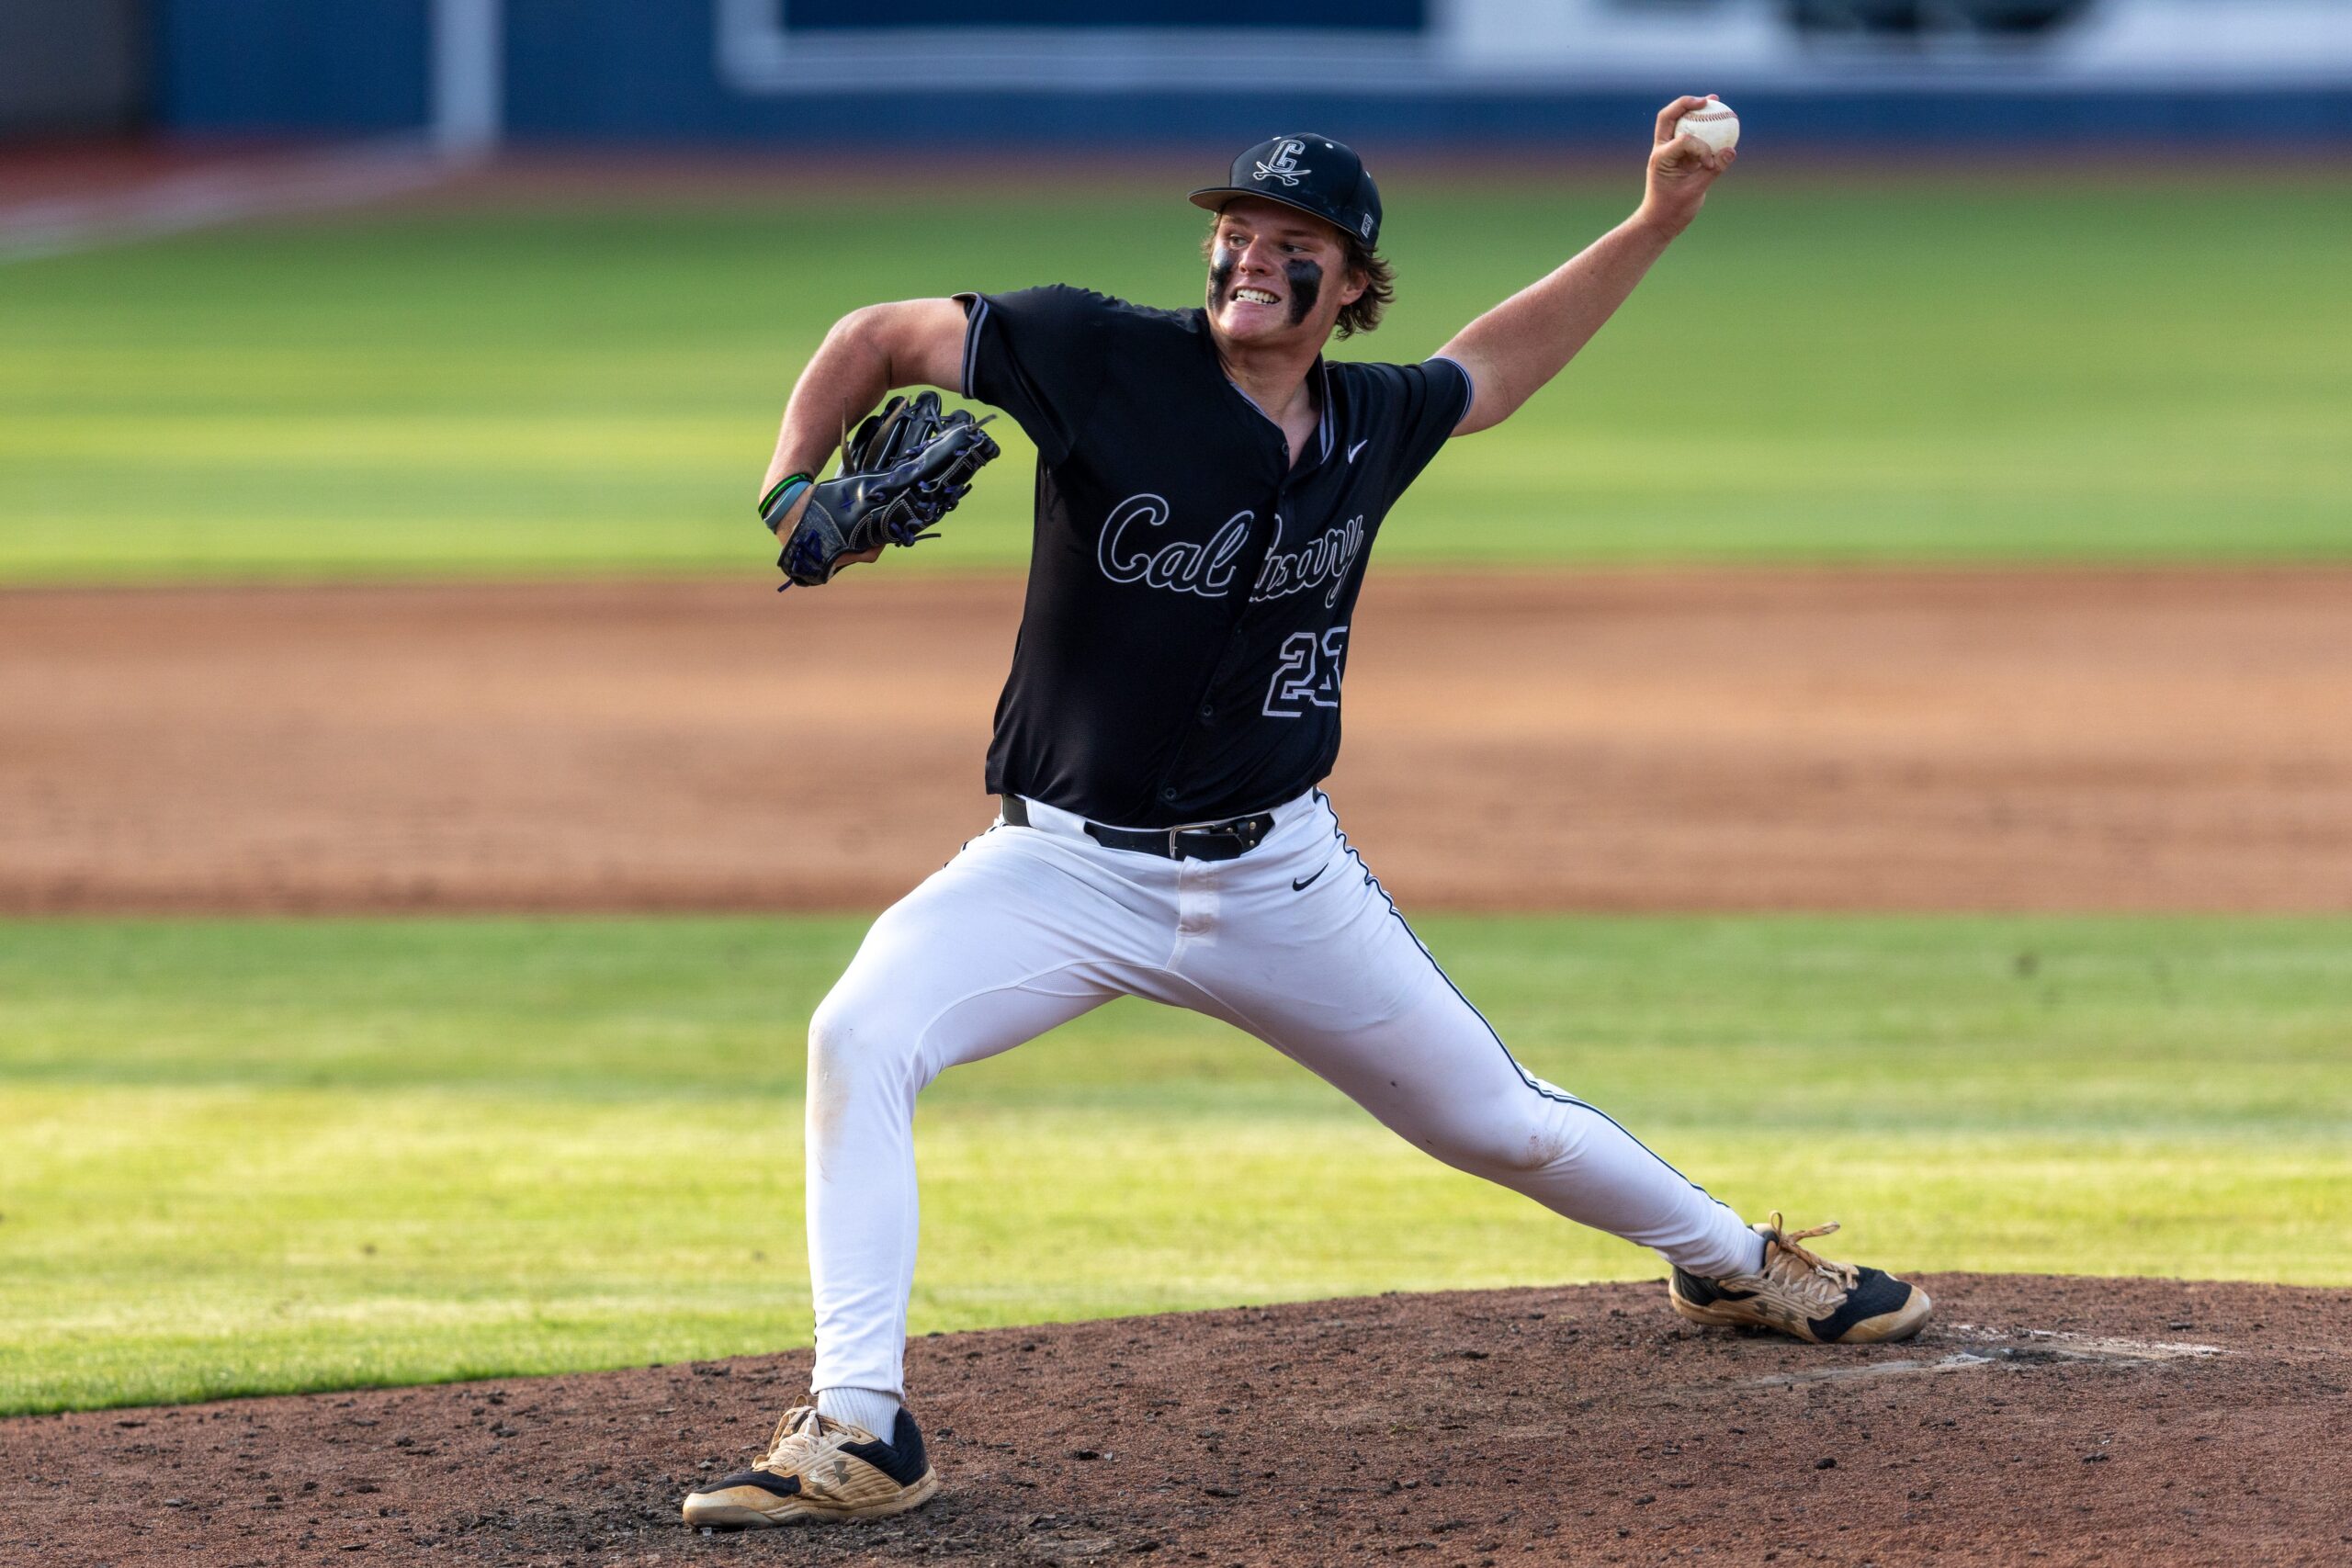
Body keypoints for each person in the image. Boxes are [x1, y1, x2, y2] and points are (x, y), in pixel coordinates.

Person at [681, 98, 1928, 1530]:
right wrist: (790, 490)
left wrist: (1658, 219)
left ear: (1352, 282)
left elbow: (1496, 369)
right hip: (1058, 871)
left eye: (1291, 243)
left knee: (1500, 1126)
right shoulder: (1098, 353)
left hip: (1283, 880)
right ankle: (859, 1426)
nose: (1247, 260)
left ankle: (1730, 1265)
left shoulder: (1369, 422)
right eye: (1232, 233)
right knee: (858, 1034)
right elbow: (877, 338)